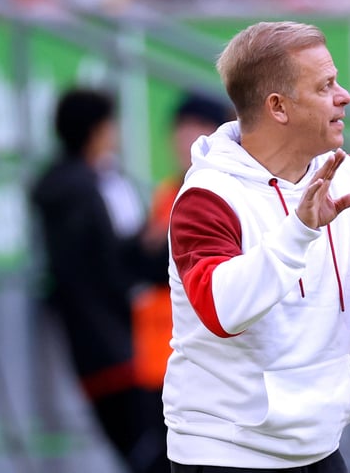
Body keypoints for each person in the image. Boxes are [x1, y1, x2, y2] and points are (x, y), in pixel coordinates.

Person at [162, 20, 350, 472]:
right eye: (326, 86)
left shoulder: (346, 174)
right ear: (278, 107)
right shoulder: (207, 195)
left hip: (319, 448)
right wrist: (299, 229)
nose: (345, 96)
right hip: (224, 453)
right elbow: (223, 312)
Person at [31, 86, 165, 472]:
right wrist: (147, 249)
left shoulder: (73, 187)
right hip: (115, 349)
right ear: (95, 131)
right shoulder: (83, 191)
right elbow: (108, 271)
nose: (116, 134)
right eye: (111, 126)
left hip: (100, 349)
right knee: (151, 456)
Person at [131, 90, 235, 473]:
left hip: (203, 361)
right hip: (157, 358)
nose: (183, 138)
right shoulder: (167, 192)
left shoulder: (222, 191)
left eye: (195, 127)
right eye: (179, 128)